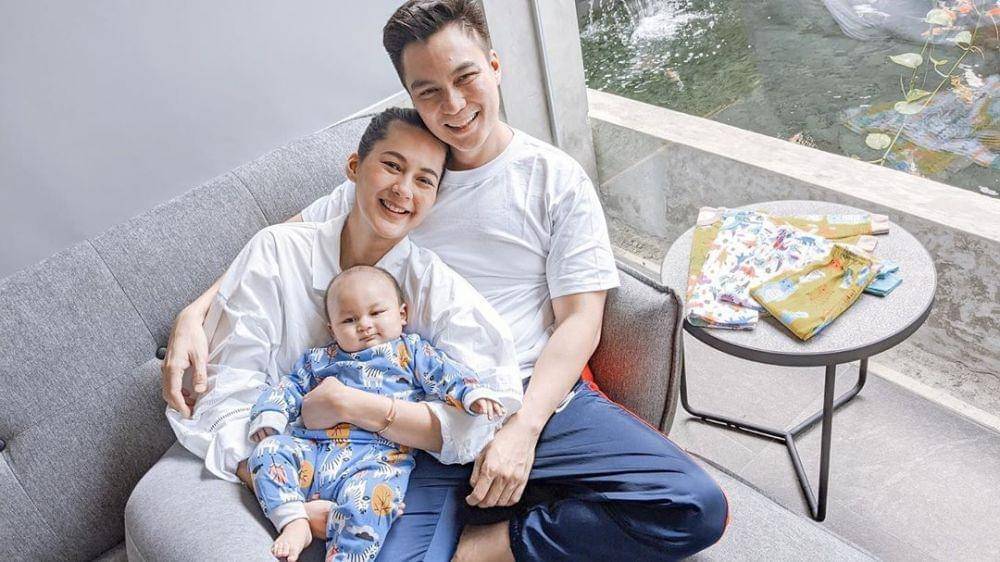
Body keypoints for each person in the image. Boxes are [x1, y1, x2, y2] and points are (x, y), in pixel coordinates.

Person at [160, 1, 729, 560]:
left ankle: (484, 546)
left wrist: (523, 429)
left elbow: (581, 319)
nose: (453, 106)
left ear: (495, 66)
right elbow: (290, 237)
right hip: (412, 414)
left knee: (692, 506)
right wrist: (196, 311)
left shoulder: (553, 178)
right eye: (429, 91)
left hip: (529, 397)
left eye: (465, 77)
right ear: (411, 98)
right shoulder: (398, 177)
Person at [248, 265, 508, 562]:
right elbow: (289, 387)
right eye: (349, 320)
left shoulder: (411, 351)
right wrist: (270, 413)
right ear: (332, 330)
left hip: (378, 460)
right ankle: (294, 521)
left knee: (374, 504)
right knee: (269, 450)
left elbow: (445, 374)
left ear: (402, 314)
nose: (364, 325)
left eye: (376, 313)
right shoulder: (319, 360)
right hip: (314, 451)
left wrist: (471, 394)